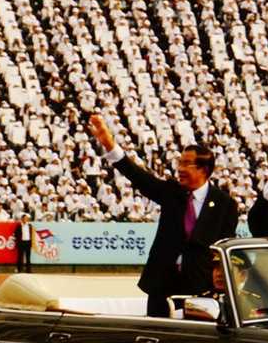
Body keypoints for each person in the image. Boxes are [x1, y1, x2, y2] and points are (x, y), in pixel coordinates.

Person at [89, 114, 239, 317]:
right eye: (180, 163)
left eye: (187, 164)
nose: (180, 169)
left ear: (204, 169)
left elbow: (223, 246)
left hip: (200, 284)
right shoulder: (171, 192)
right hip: (163, 281)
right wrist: (110, 145)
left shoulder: (225, 204)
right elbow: (139, 177)